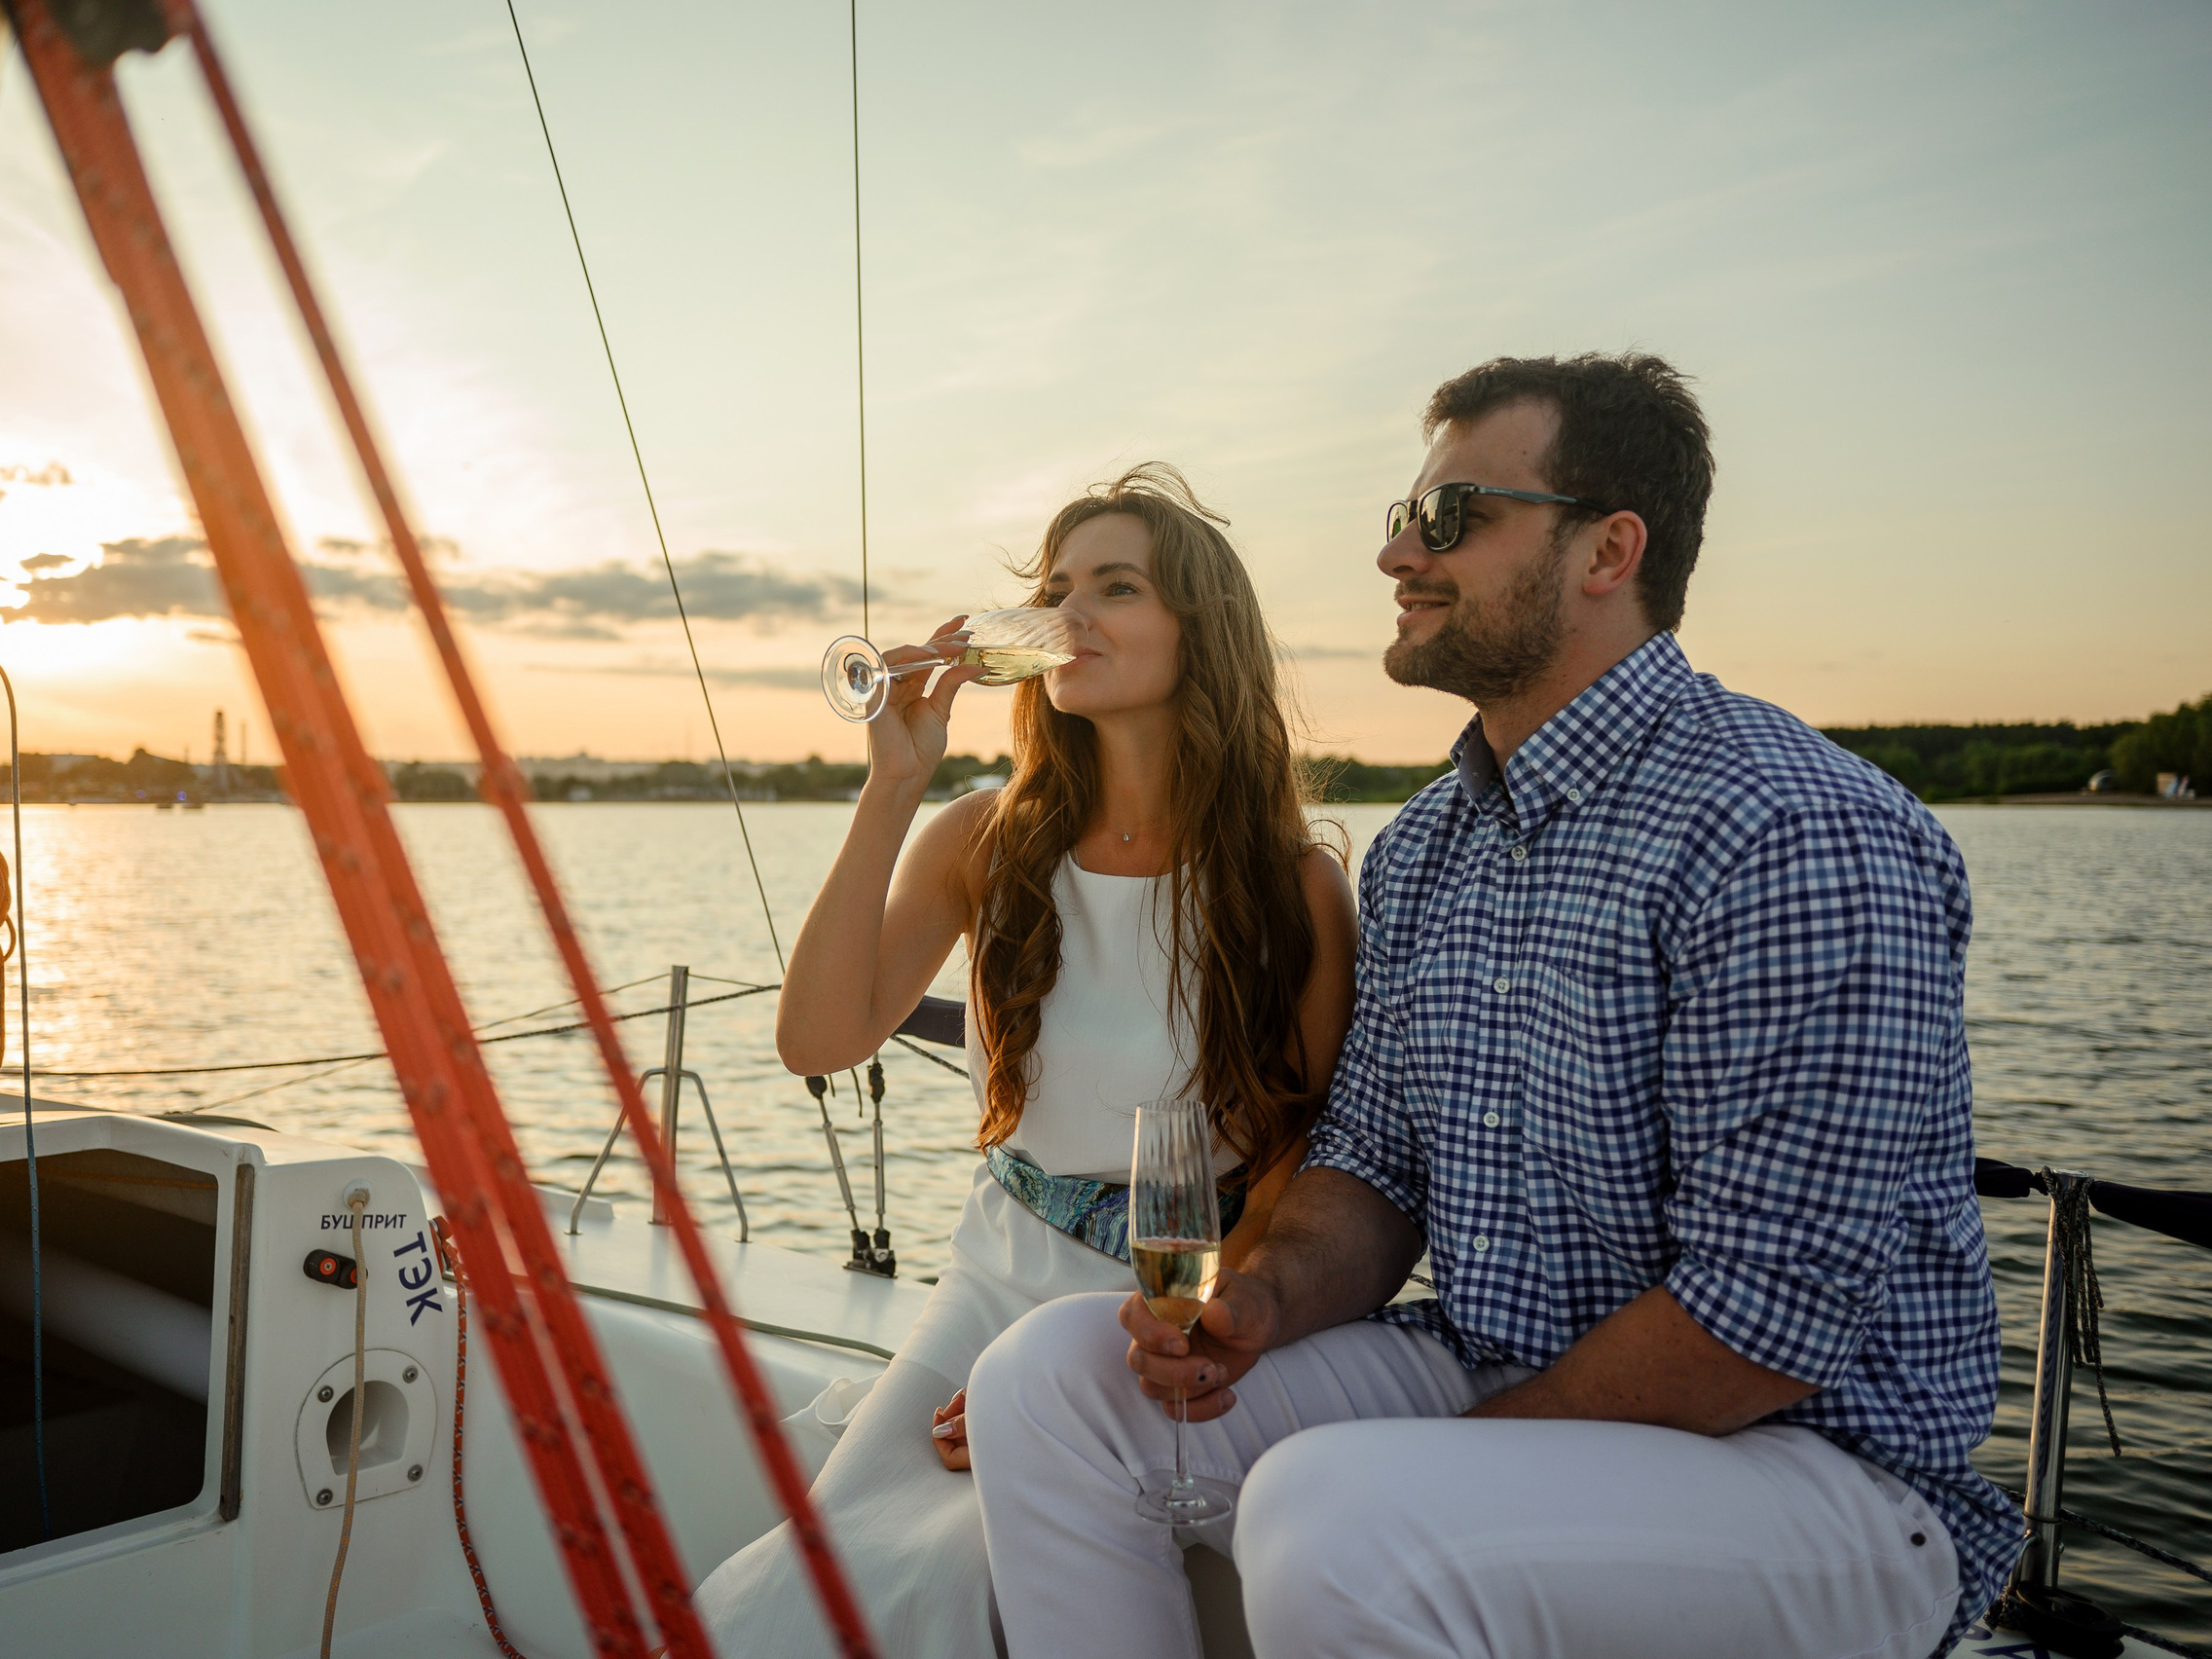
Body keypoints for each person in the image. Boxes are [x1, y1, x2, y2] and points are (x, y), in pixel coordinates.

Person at [967, 354, 2017, 1658]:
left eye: (1451, 518)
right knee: (1050, 1386)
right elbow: (1369, 1169)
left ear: (1605, 551)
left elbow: (1767, 1319)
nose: (1399, 555)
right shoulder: (1425, 851)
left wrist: (1440, 1463)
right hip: (1498, 1357)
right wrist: (1264, 1304)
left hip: (1816, 1472)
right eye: (1400, 520)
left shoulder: (1786, 830)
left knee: (1335, 1517)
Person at [692, 463, 1356, 1656]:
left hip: (1155, 1310)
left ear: (1196, 631)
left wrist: (1086, 1370)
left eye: (1116, 587)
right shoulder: (984, 838)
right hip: (990, 1280)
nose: (1071, 617)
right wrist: (892, 786)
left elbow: (1289, 1169)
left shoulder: (1293, 887)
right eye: (1054, 591)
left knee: (948, 1577)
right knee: (819, 1581)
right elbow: (818, 1039)